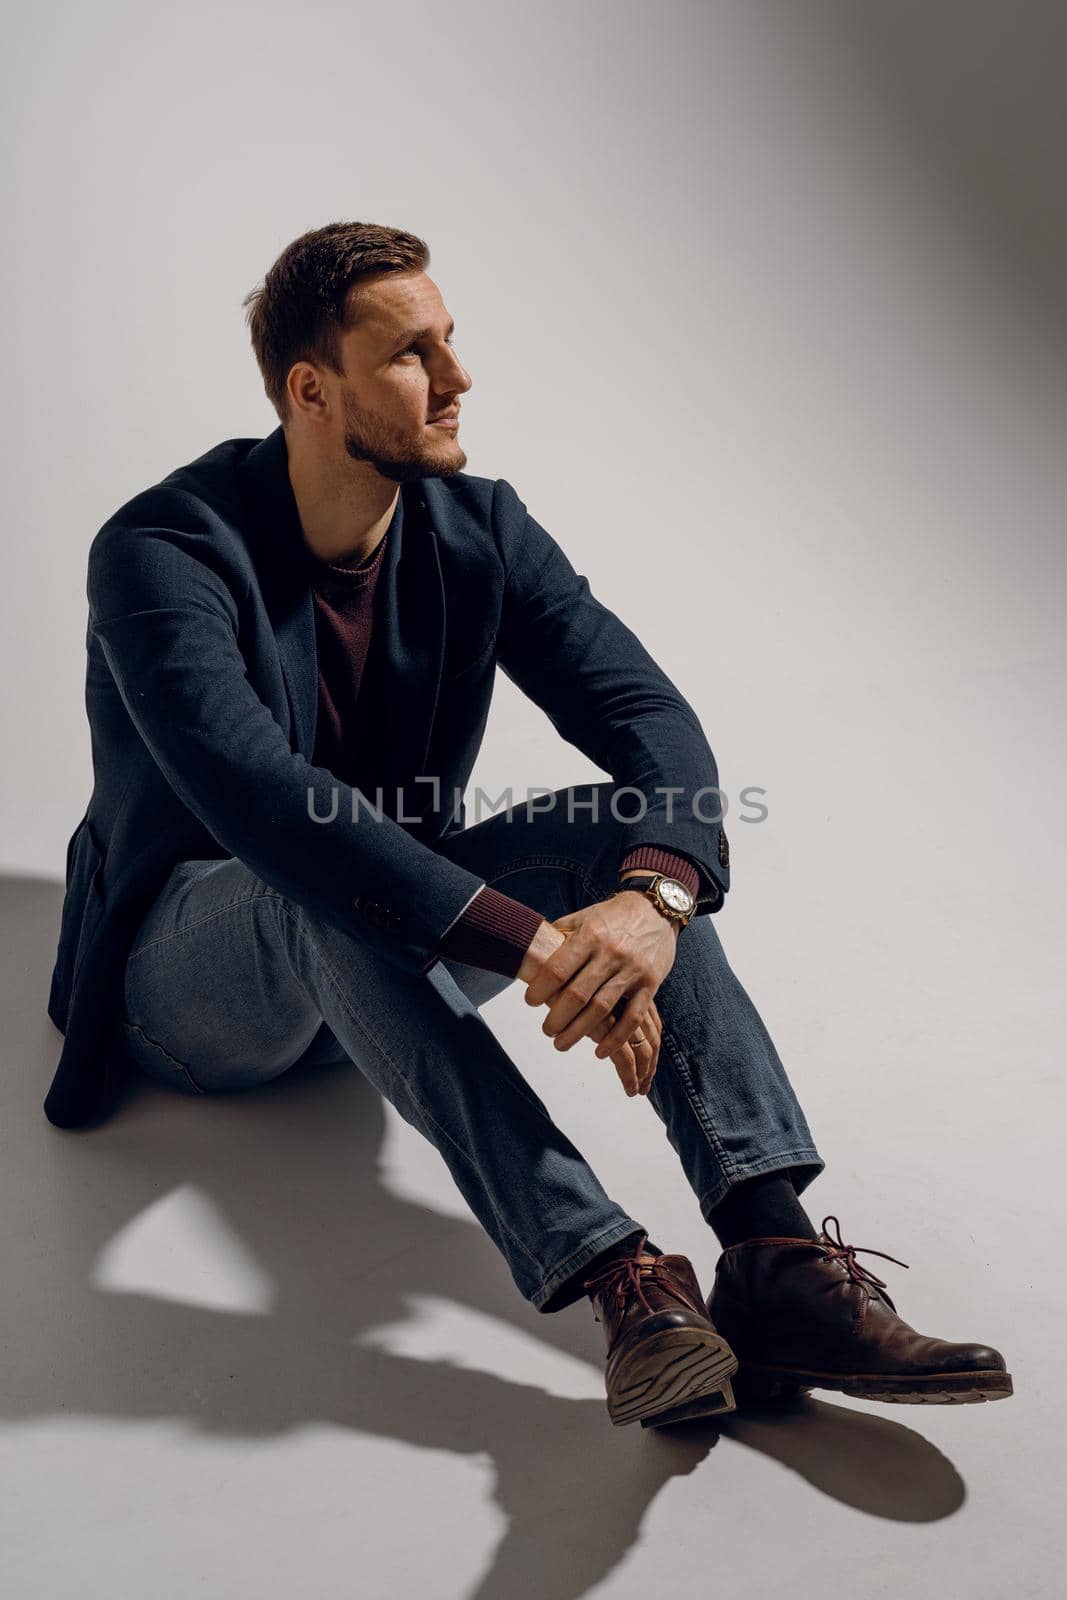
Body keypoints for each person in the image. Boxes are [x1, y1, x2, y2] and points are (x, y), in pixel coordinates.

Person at [44, 221, 1013, 1428]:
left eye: (450, 342)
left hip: (393, 956)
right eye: (410, 355)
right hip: (184, 982)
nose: (456, 379)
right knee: (315, 872)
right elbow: (264, 801)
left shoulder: (478, 528)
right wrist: (536, 943)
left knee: (622, 835)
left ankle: (768, 1256)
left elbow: (653, 725)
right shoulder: (161, 550)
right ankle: (615, 1274)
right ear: (311, 388)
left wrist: (647, 906)